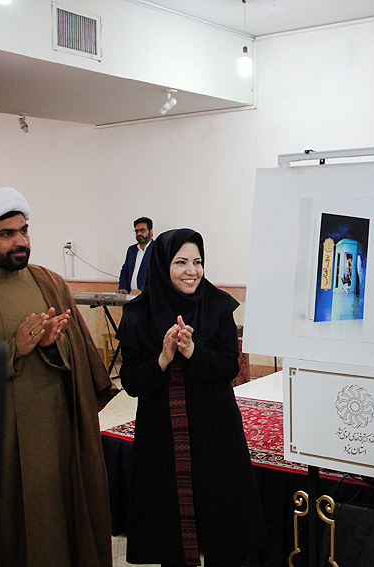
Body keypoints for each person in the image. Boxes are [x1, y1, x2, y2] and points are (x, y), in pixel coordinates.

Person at [0, 187, 117, 567]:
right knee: (4, 528)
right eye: (7, 234)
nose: (21, 242)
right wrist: (13, 349)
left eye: (24, 231)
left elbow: (80, 357)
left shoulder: (49, 282)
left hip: (53, 430)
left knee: (55, 518)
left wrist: (53, 345)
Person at [117, 228, 266, 567]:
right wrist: (163, 358)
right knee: (170, 527)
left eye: (197, 262)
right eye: (181, 262)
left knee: (223, 526)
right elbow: (131, 382)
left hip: (215, 432)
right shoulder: (139, 314)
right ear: (162, 265)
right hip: (162, 435)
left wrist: (194, 352)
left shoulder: (217, 305)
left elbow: (228, 367)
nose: (192, 271)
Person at [117, 216, 154, 294]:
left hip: (148, 296)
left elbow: (157, 275)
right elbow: (125, 271)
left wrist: (143, 290)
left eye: (142, 230)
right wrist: (123, 288)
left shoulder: (156, 249)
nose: (139, 234)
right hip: (131, 296)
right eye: (137, 231)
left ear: (151, 231)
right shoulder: (132, 250)